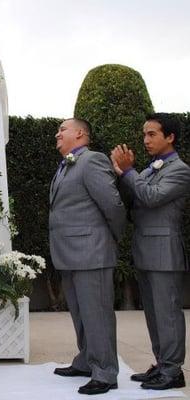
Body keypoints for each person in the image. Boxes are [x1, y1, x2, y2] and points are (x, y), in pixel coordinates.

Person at [111, 113, 190, 390]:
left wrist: (129, 171)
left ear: (170, 137)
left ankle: (173, 370)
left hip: (164, 252)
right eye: (144, 134)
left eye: (152, 134)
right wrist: (122, 175)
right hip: (145, 249)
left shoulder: (180, 169)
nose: (146, 140)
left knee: (167, 313)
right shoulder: (149, 169)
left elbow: (151, 197)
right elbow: (134, 198)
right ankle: (161, 363)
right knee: (154, 314)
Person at [49, 118, 126, 395]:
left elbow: (113, 206)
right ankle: (86, 360)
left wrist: (111, 239)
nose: (57, 133)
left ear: (80, 134)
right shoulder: (67, 164)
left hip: (92, 252)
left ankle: (105, 372)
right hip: (69, 253)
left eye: (63, 129)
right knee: (81, 314)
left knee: (97, 314)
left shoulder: (92, 160)